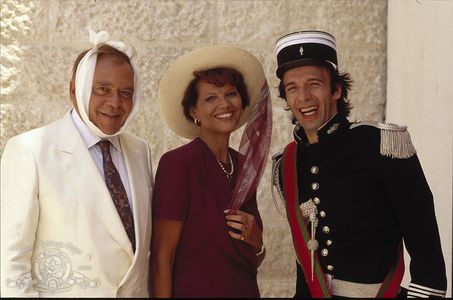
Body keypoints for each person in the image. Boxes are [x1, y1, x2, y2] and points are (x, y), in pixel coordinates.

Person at [271, 30, 447, 298]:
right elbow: (305, 260)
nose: (303, 96)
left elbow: (425, 246)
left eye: (314, 84)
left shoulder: (382, 145)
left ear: (337, 90)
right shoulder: (288, 163)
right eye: (292, 88)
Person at [0, 30, 153, 297]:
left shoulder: (139, 151)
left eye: (125, 92)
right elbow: (10, 263)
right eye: (102, 90)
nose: (115, 103)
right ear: (75, 89)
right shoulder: (30, 150)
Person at [151, 46, 272, 297]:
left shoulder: (242, 166)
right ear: (194, 111)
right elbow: (162, 259)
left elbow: (248, 256)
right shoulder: (178, 164)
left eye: (231, 94)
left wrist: (258, 242)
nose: (224, 104)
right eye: (210, 98)